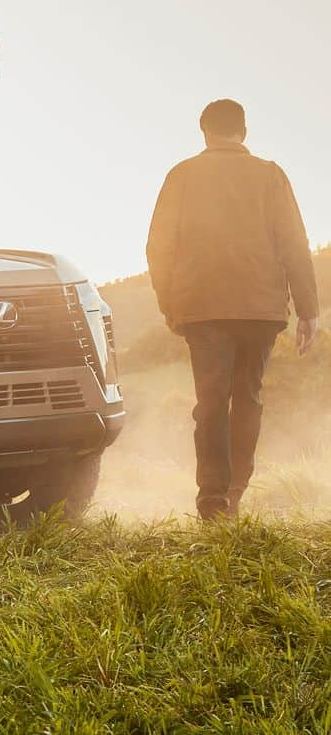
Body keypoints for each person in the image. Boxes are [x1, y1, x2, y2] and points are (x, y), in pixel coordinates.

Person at [146, 100, 319, 519]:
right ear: (244, 131)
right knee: (248, 398)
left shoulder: (182, 175)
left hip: (202, 310)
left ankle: (212, 497)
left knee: (210, 402)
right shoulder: (271, 176)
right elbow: (294, 243)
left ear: (204, 131)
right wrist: (308, 310)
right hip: (260, 309)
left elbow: (158, 246)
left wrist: (170, 303)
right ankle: (235, 491)